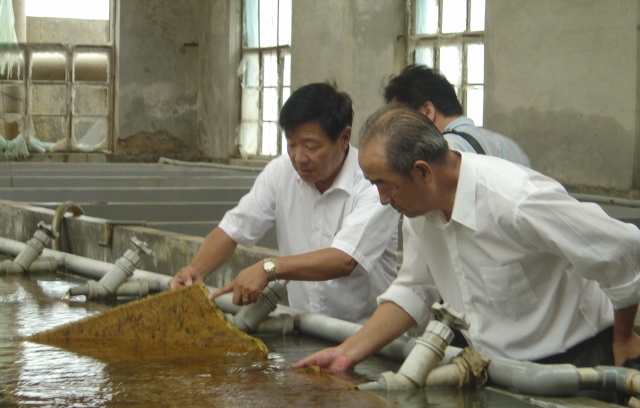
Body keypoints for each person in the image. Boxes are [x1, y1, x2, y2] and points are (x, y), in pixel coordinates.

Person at [293, 104, 640, 372]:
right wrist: (346, 352)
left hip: (572, 363)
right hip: (497, 368)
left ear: (422, 172)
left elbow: (620, 248)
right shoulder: (419, 211)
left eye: (382, 184)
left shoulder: (516, 201)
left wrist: (623, 336)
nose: (382, 199)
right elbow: (414, 290)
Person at [171, 82, 400, 324]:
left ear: (344, 137)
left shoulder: (372, 182)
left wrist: (269, 268)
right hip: (305, 329)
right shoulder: (280, 172)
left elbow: (344, 259)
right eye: (291, 144)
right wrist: (195, 271)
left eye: (311, 146)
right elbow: (234, 227)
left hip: (365, 335)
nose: (299, 158)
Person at [384, 64, 531, 167]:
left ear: (427, 111)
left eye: (400, 119)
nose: (397, 131)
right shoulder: (508, 145)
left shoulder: (445, 151)